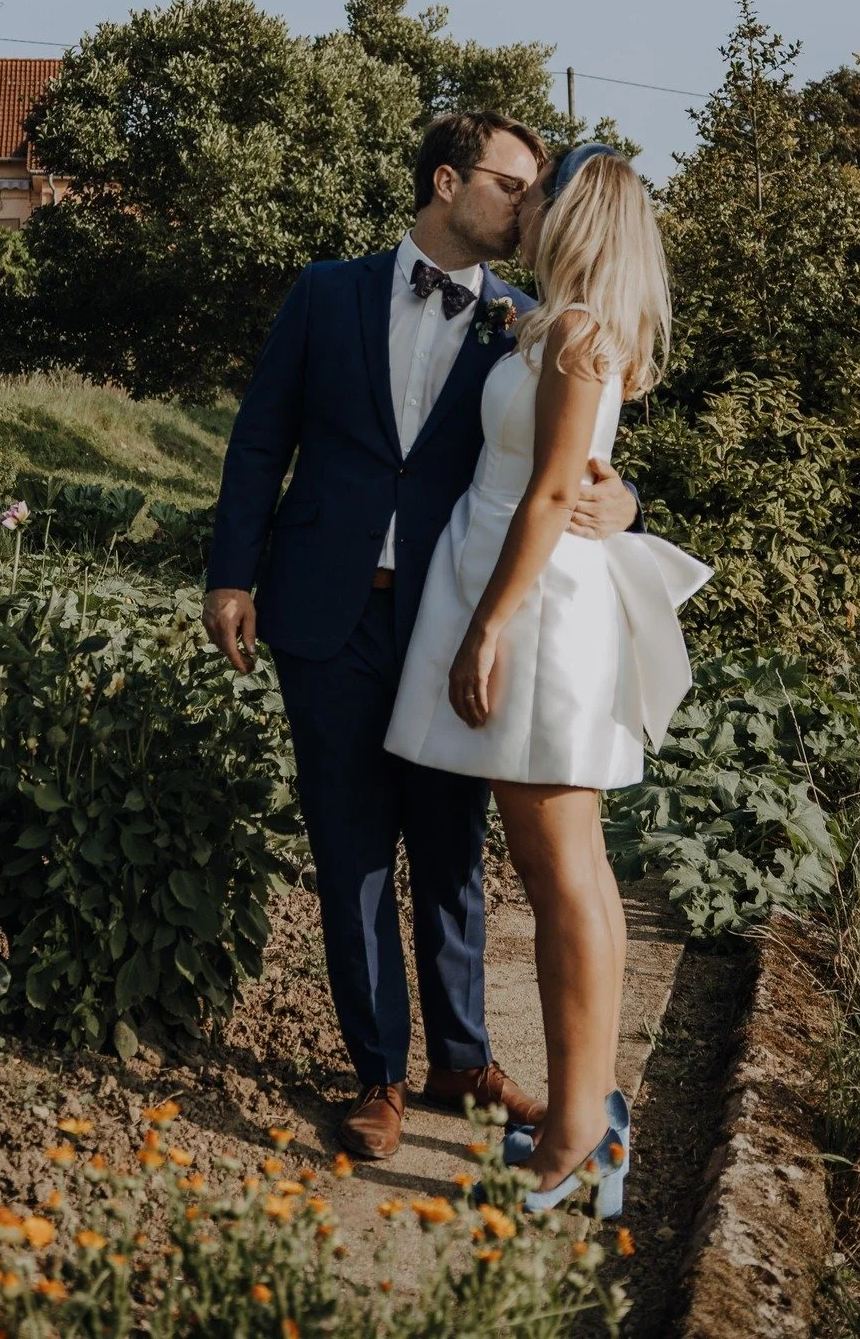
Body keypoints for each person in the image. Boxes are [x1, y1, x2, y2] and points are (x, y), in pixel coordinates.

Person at [202, 112, 641, 1162]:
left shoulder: (534, 320)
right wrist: (230, 573)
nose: (525, 205)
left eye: (538, 191)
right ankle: (377, 1076)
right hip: (324, 605)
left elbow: (574, 460)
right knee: (350, 848)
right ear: (446, 180)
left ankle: (463, 1056)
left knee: (451, 850)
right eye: (509, 184)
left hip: (454, 616)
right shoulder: (325, 292)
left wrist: (624, 503)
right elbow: (262, 435)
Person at [384, 143, 710, 1215]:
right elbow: (563, 478)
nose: (521, 208)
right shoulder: (558, 325)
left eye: (540, 194)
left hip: (534, 613)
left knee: (560, 872)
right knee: (576, 868)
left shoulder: (572, 336)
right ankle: (593, 1107)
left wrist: (488, 628)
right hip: (527, 596)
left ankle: (575, 1129)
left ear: (574, 217)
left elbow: (547, 496)